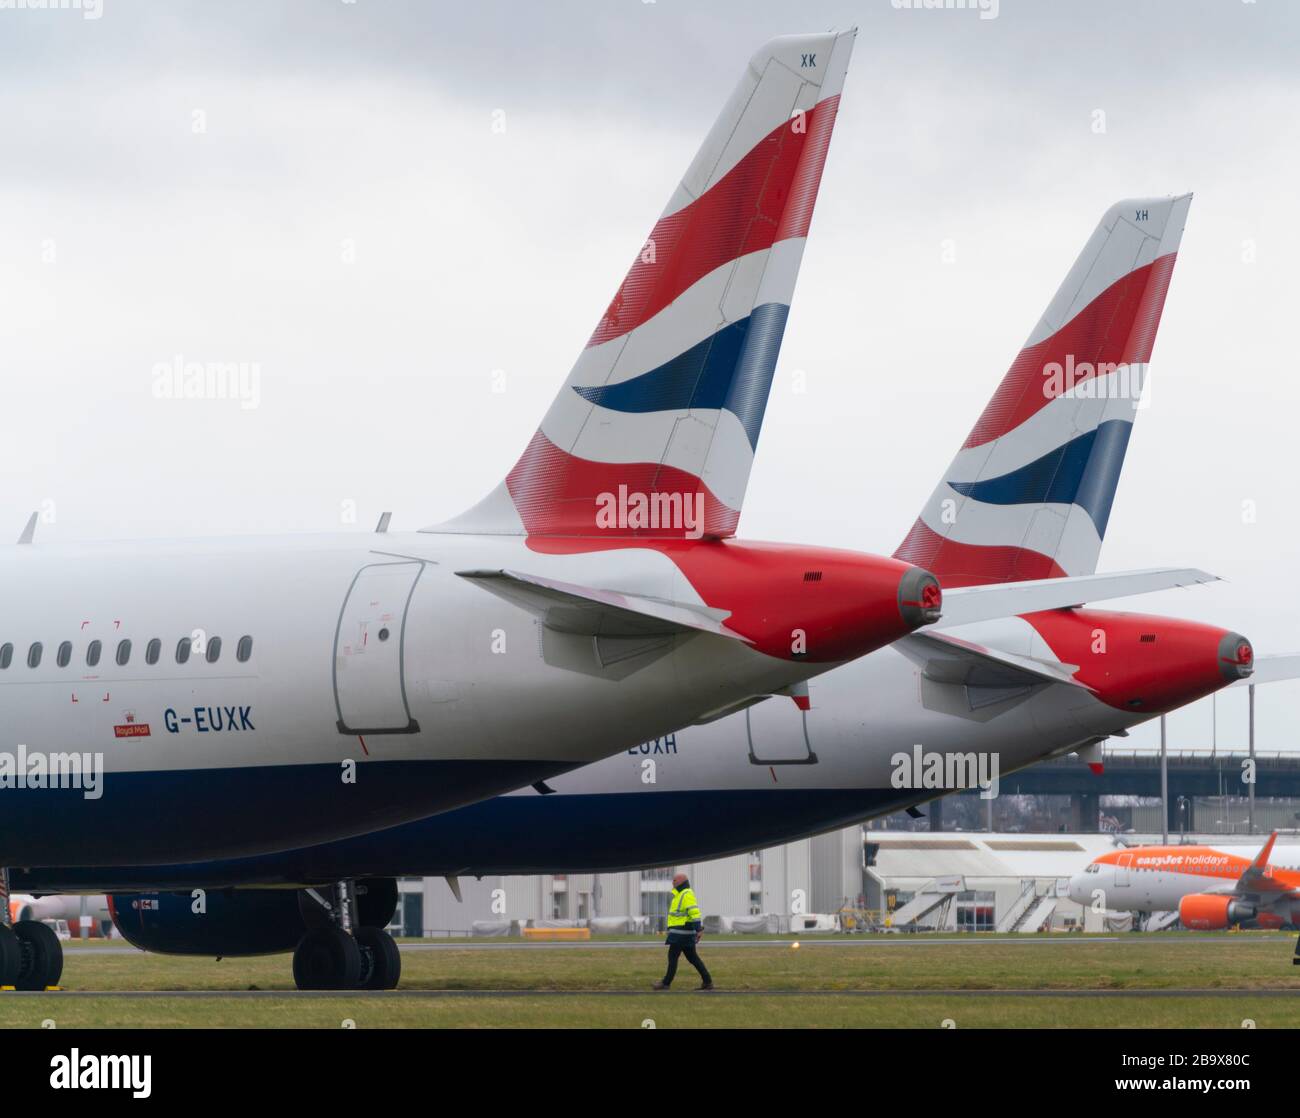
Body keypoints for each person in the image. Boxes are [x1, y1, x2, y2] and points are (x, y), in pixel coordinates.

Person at [653, 872, 714, 990]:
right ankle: (707, 982)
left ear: (681, 881)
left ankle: (666, 983)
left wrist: (699, 929)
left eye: (675, 880)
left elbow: (694, 912)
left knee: (673, 957)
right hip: (683, 933)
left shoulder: (686, 894)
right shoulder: (681, 894)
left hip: (680, 933)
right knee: (693, 958)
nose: (673, 882)